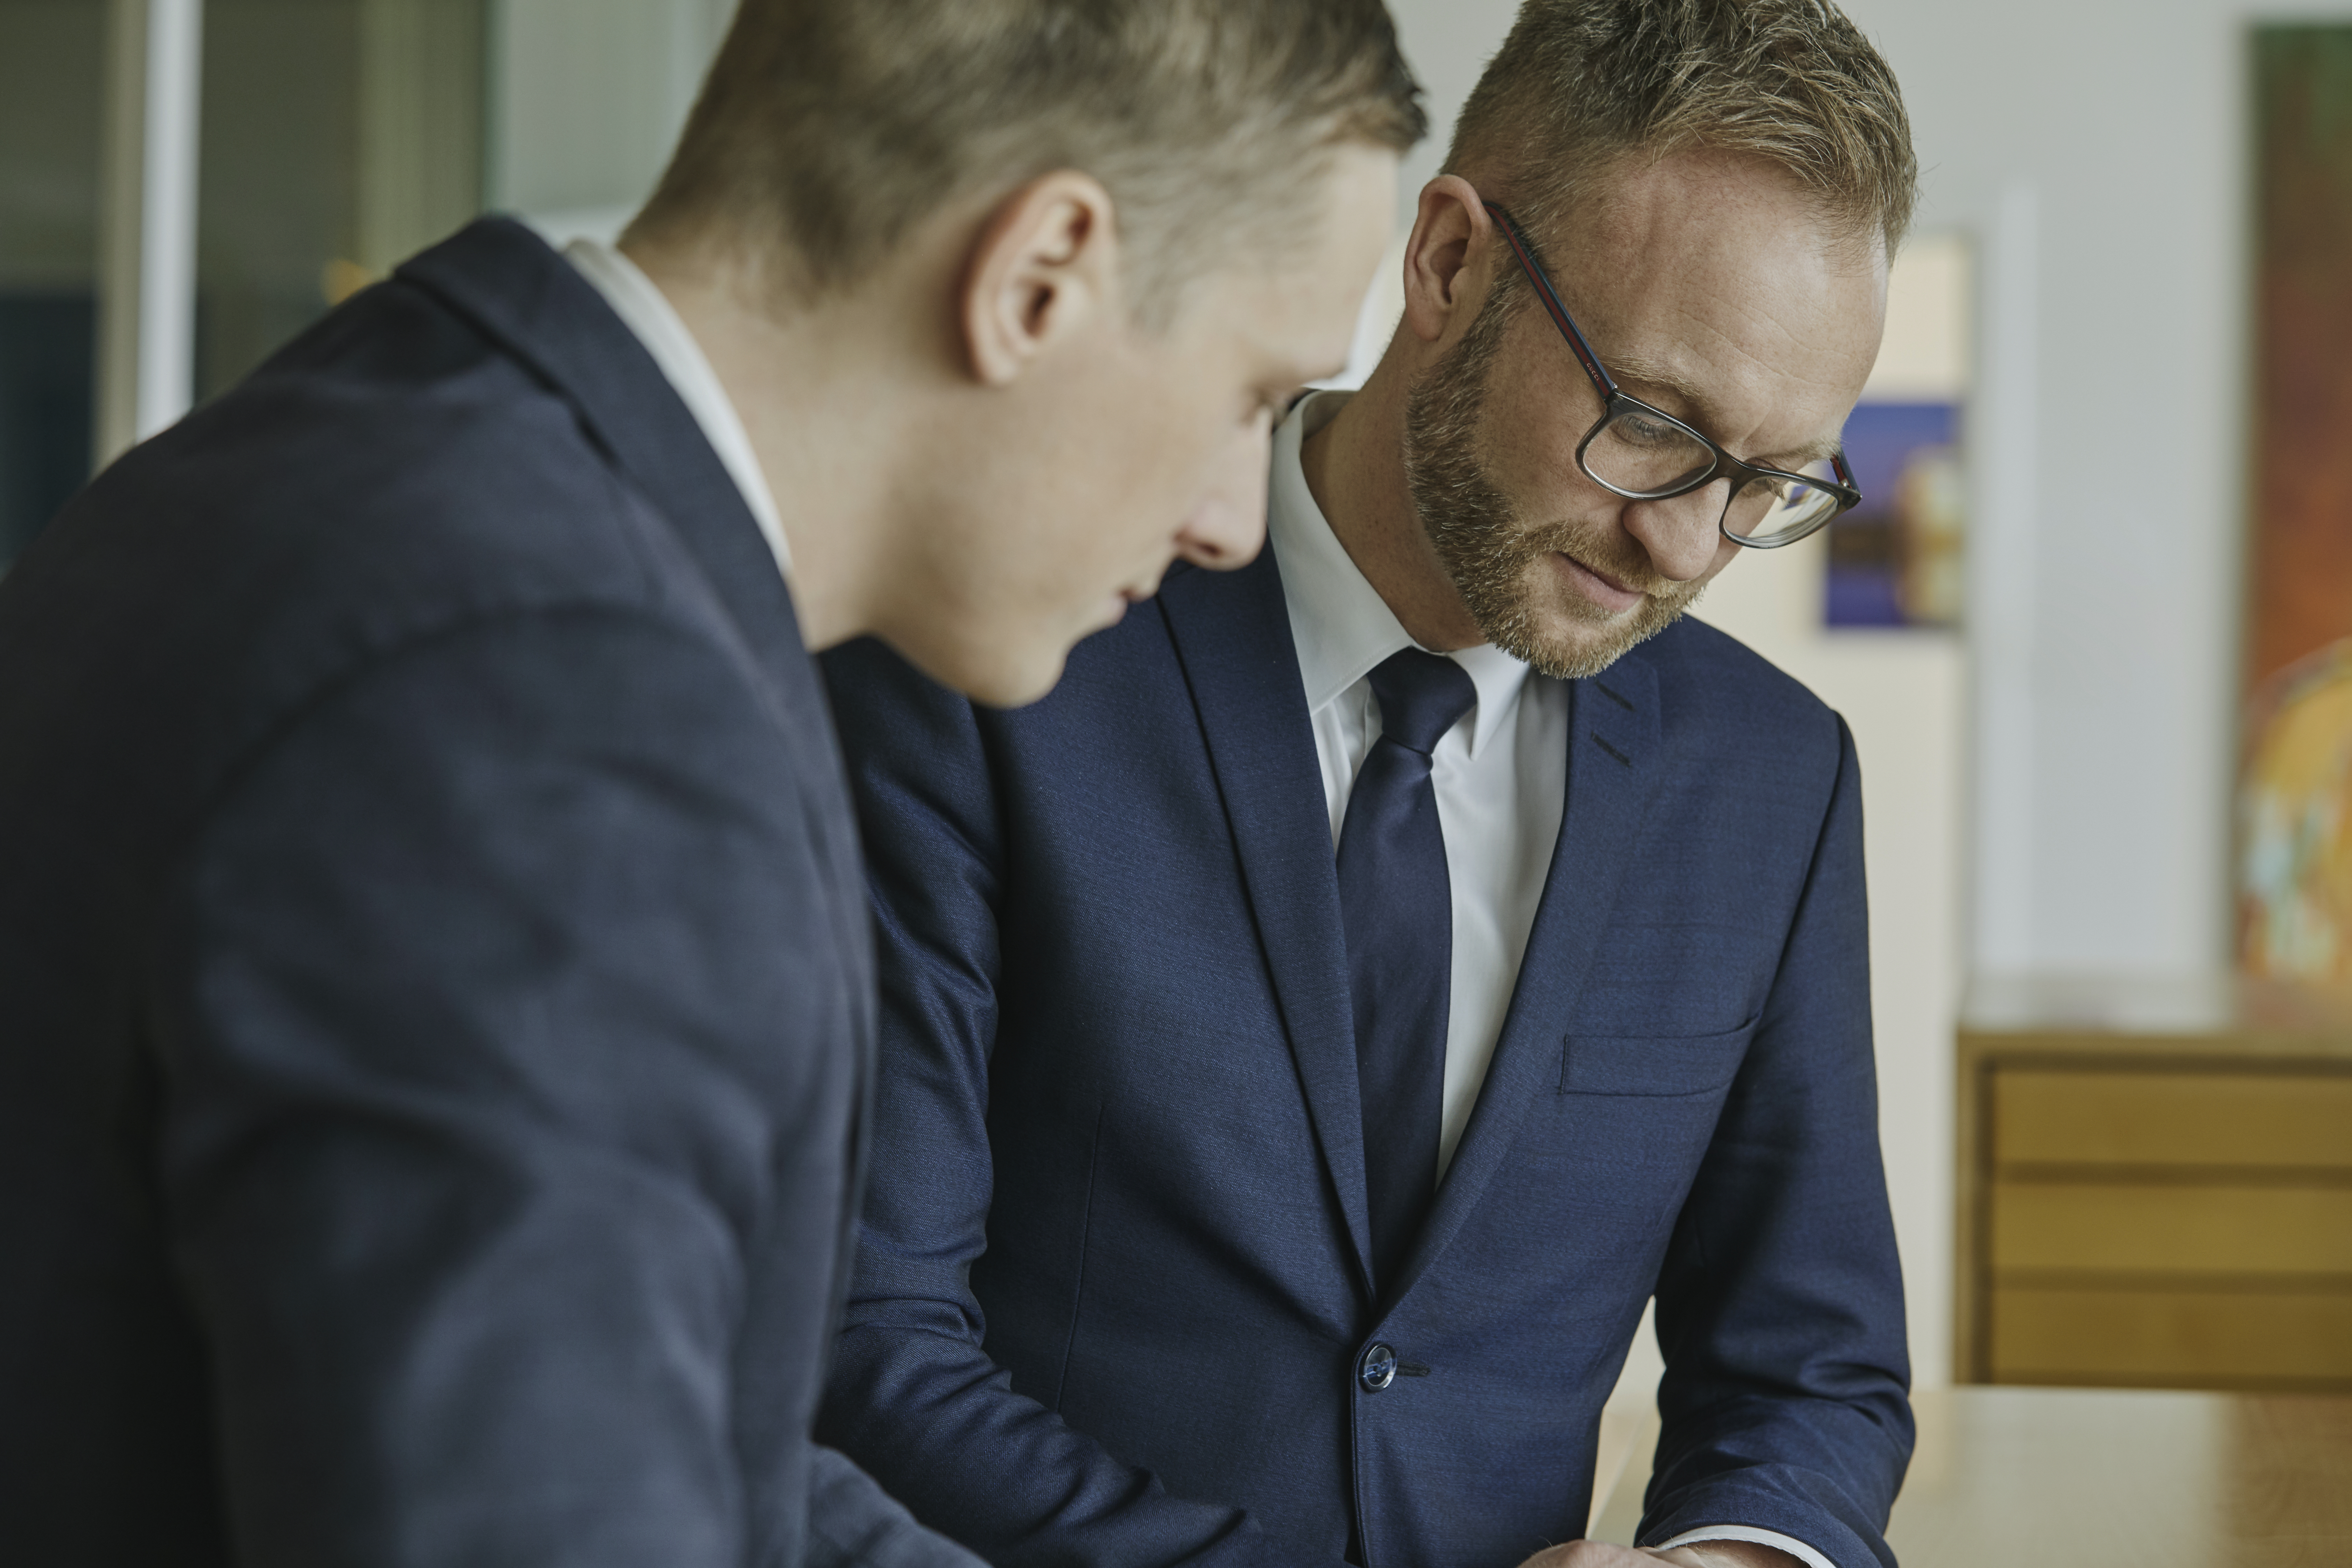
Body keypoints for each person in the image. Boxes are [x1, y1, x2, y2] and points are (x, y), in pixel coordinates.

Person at [0, 2, 1420, 1563]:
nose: (1231, 520)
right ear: (1040, 278)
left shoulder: (371, 454)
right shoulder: (561, 697)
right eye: (1254, 399)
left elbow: (673, 1444)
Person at [816, 3, 1918, 1568]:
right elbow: (868, 1335)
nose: (1686, 543)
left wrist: (1727, 1561)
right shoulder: (1000, 653)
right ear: (1450, 264)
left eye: (1771, 479)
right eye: (1655, 425)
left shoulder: (1774, 782)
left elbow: (1810, 1372)